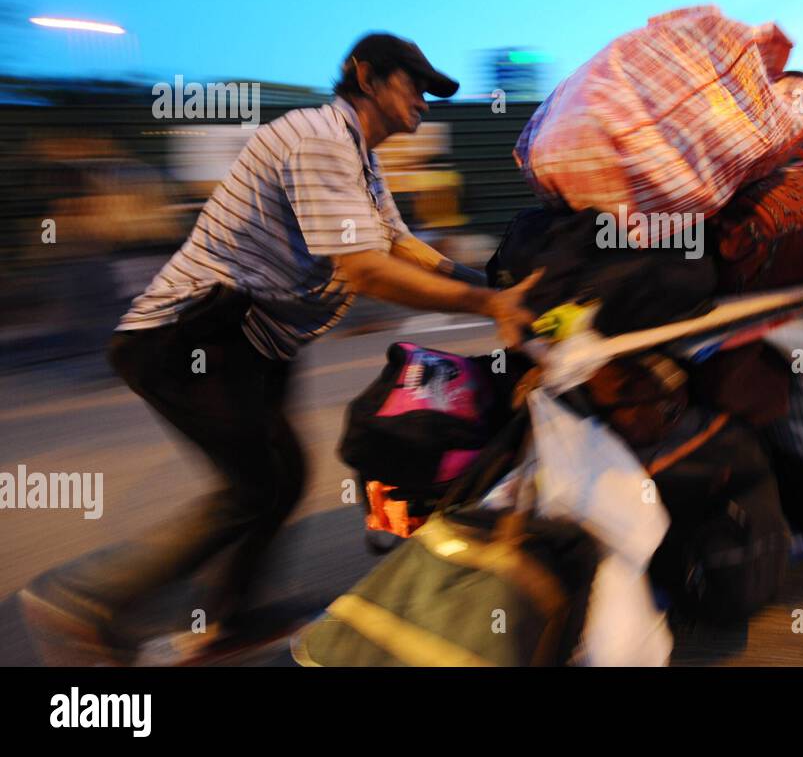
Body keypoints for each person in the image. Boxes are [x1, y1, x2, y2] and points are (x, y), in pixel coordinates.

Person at [20, 33, 540, 664]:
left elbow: (402, 245)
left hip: (253, 340)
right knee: (250, 489)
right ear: (367, 76)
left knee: (283, 478)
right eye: (415, 85)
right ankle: (82, 601)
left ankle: (227, 619)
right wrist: (490, 308)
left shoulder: (360, 156)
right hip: (189, 338)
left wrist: (496, 286)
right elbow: (367, 271)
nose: (425, 102)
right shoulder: (319, 137)